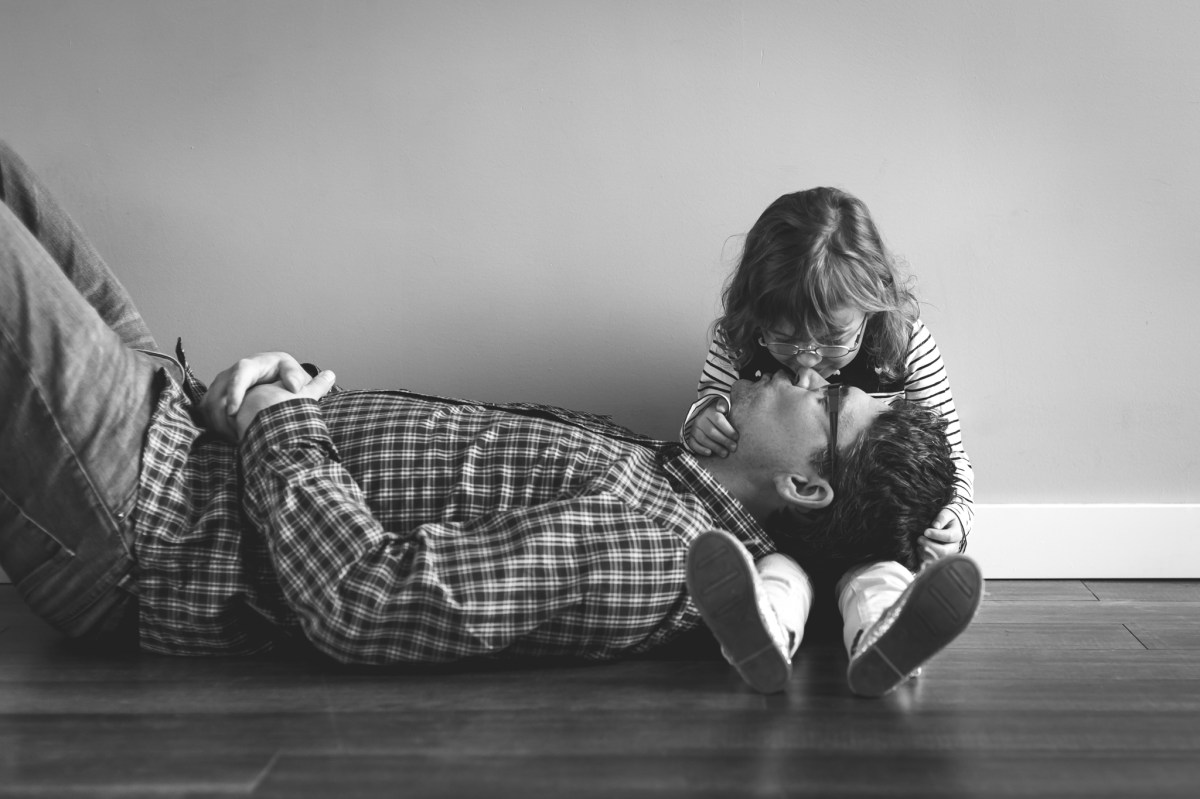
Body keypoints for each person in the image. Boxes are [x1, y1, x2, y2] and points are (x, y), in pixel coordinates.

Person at [0, 141, 979, 691]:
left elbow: (365, 604)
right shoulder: (673, 469)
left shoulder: (650, 548)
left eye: (829, 396)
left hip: (151, 514)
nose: (803, 373)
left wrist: (274, 419)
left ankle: (850, 622)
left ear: (806, 482)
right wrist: (280, 395)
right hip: (181, 418)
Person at [681, 188, 979, 696]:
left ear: (873, 302)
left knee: (880, 577)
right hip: (780, 530)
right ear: (756, 309)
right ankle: (763, 636)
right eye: (784, 337)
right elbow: (710, 405)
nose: (807, 359)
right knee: (776, 575)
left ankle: (886, 638)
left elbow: (947, 452)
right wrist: (701, 420)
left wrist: (956, 517)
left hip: (864, 533)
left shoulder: (905, 346)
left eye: (833, 338)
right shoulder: (737, 342)